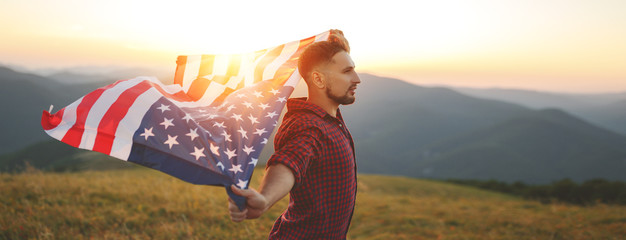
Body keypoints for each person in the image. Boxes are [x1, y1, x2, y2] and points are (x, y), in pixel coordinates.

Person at [228, 29, 361, 239]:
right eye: (347, 71)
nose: (357, 79)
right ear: (318, 79)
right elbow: (290, 161)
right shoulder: (309, 127)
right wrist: (265, 198)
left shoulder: (329, 119)